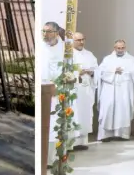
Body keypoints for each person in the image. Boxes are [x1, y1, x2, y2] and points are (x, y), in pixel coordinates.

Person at [97, 39, 134, 142]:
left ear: (125, 48)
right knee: (107, 109)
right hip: (109, 89)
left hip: (124, 89)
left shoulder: (131, 60)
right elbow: (100, 72)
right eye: (118, 48)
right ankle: (106, 135)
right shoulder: (107, 59)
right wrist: (113, 71)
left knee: (123, 110)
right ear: (114, 48)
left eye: (122, 48)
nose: (120, 50)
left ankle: (122, 134)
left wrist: (127, 73)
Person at [42, 21, 67, 166]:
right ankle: (43, 159)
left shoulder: (66, 49)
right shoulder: (40, 47)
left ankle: (54, 158)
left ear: (57, 33)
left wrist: (62, 83)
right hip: (42, 90)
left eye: (49, 31)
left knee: (55, 127)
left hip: (58, 94)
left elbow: (73, 69)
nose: (46, 34)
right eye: (44, 31)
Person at [70, 32, 98, 150]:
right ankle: (72, 143)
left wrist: (92, 73)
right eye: (78, 40)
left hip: (87, 88)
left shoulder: (89, 54)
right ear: (72, 41)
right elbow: (64, 71)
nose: (81, 42)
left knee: (85, 114)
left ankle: (82, 141)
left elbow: (97, 69)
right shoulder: (69, 55)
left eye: (83, 39)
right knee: (74, 114)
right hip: (75, 89)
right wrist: (77, 73)